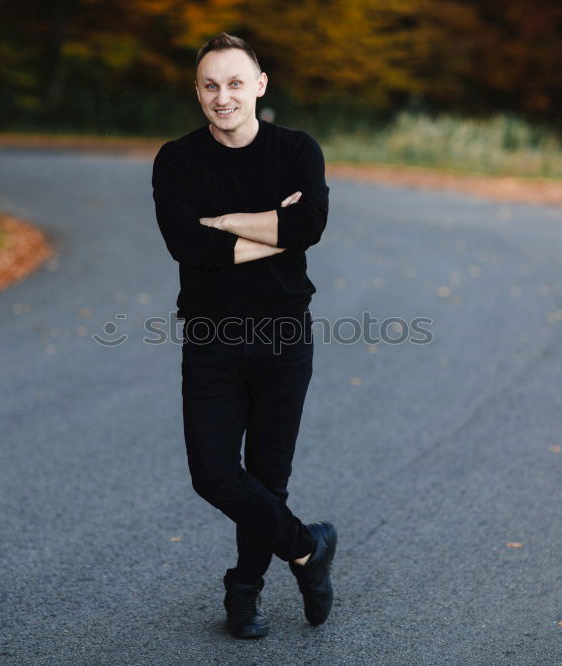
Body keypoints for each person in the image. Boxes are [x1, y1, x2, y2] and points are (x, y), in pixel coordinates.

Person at [151, 32, 337, 639]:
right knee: (213, 473)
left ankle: (245, 592)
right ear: (197, 92)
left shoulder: (297, 150)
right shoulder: (177, 160)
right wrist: (274, 227)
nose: (222, 96)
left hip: (285, 336)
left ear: (260, 85)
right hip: (211, 338)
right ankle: (308, 549)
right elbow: (188, 246)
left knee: (267, 475)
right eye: (210, 85)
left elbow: (308, 225)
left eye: (235, 82)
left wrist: (226, 222)